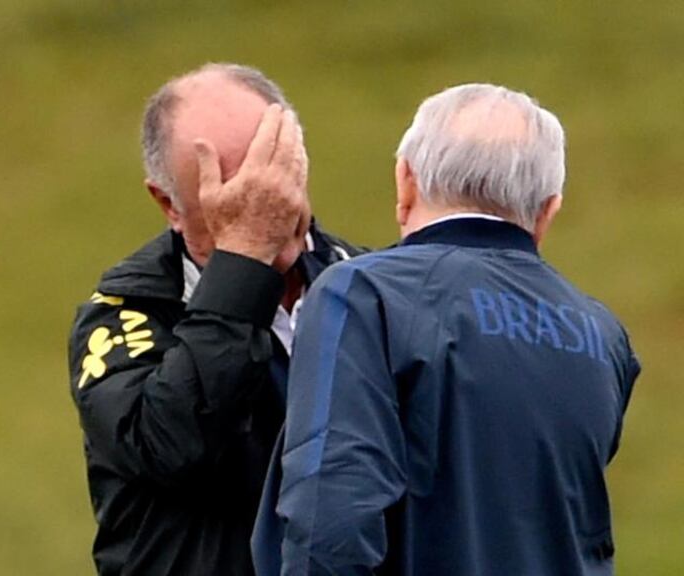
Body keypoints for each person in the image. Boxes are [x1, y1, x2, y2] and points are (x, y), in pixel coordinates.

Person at [255, 83, 641, 575]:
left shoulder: (363, 292)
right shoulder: (604, 336)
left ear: (406, 181)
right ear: (548, 211)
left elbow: (332, 517)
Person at [67, 63, 365, 575]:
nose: (261, 202)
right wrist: (245, 261)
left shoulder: (366, 286)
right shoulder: (124, 315)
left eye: (269, 172)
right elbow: (173, 446)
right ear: (169, 204)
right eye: (228, 187)